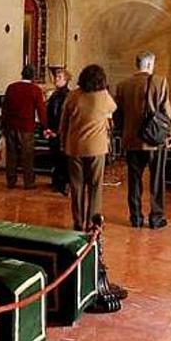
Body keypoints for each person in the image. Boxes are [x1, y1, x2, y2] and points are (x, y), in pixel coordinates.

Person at [115, 51, 171, 229]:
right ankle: (156, 218)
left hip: (132, 140)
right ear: (150, 64)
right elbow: (166, 111)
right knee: (157, 180)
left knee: (134, 181)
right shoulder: (159, 81)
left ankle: (136, 217)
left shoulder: (123, 85)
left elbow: (118, 115)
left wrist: (124, 131)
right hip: (155, 141)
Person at [59, 64, 117, 231]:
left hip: (75, 145)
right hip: (97, 147)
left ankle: (78, 221)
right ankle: (92, 222)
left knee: (77, 186)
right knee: (95, 185)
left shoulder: (73, 95)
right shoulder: (104, 96)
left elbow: (64, 122)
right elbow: (113, 111)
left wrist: (63, 142)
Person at [1, 65, 48, 190]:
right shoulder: (35, 90)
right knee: (27, 155)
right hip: (26, 127)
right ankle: (28, 182)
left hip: (11, 125)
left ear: (22, 74)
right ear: (33, 76)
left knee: (11, 154)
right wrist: (45, 126)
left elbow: (4, 108)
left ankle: (11, 181)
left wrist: (3, 125)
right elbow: (41, 110)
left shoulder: (11, 88)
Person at [46, 68, 72, 195]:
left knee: (62, 159)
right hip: (53, 131)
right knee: (55, 157)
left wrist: (59, 131)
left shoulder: (69, 95)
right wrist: (48, 129)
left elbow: (65, 116)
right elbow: (50, 113)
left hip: (62, 132)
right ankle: (56, 181)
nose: (56, 79)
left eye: (60, 77)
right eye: (56, 77)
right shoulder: (54, 95)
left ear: (66, 80)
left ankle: (63, 183)